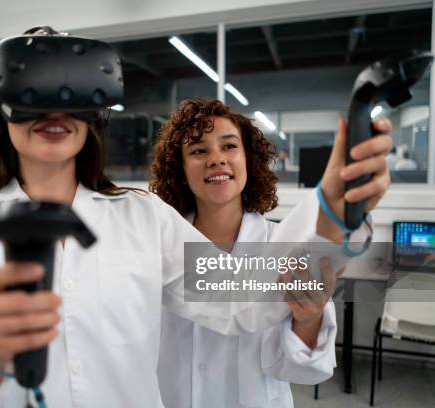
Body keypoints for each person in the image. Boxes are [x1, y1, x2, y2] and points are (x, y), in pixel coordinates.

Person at [0, 30, 392, 408]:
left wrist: (329, 210)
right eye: (31, 93)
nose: (53, 110)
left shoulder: (143, 218)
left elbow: (244, 296)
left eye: (71, 94)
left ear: (95, 112)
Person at [150, 99, 389, 407]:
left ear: (248, 159)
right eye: (198, 150)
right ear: (180, 170)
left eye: (229, 146)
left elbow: (305, 371)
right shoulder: (160, 245)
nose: (216, 159)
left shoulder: (281, 242)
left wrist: (309, 318)